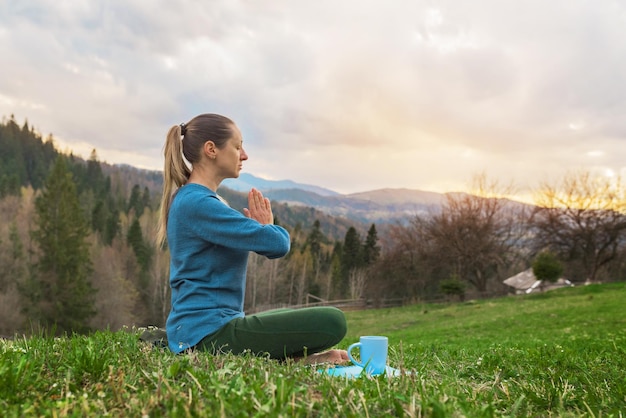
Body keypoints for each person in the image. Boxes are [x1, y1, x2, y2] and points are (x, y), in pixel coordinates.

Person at [157, 113, 348, 364]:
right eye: (237, 147)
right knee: (333, 321)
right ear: (211, 149)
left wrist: (263, 230)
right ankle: (293, 360)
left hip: (203, 329)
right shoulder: (198, 203)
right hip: (206, 336)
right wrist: (268, 226)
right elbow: (278, 244)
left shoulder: (192, 199)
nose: (244, 155)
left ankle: (296, 360)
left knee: (285, 316)